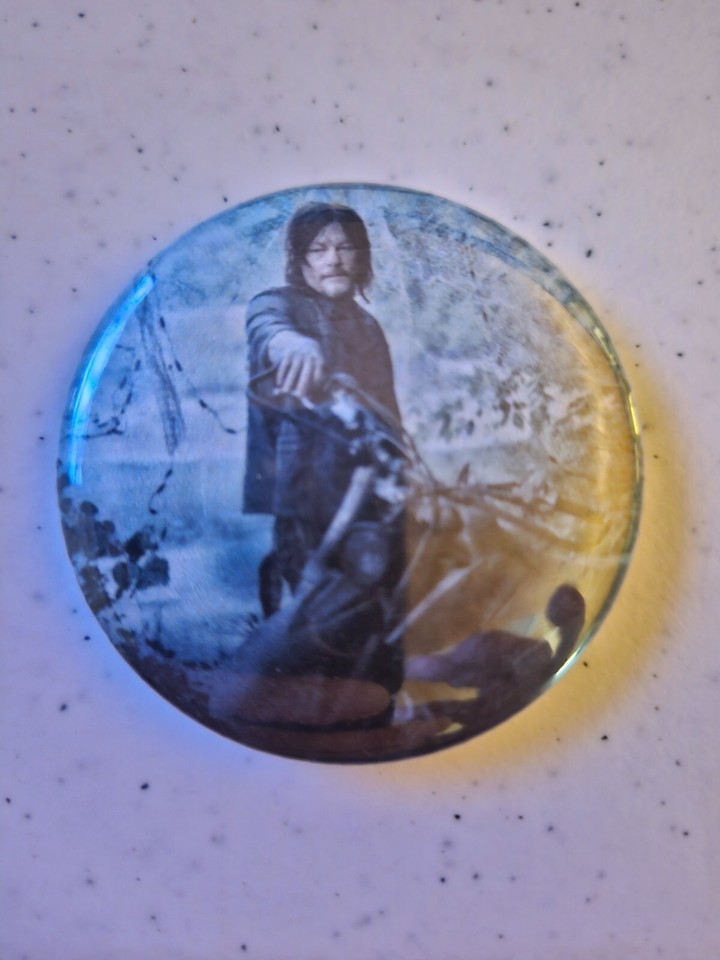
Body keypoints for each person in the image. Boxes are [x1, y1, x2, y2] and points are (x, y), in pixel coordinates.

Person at [241, 202, 404, 694]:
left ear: (362, 257)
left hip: (372, 494)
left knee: (381, 608)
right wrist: (292, 344)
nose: (333, 258)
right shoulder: (280, 305)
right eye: (318, 249)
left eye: (345, 247)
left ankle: (378, 703)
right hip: (306, 487)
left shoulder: (368, 327)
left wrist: (403, 475)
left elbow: (388, 415)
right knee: (318, 612)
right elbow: (266, 327)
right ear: (300, 261)